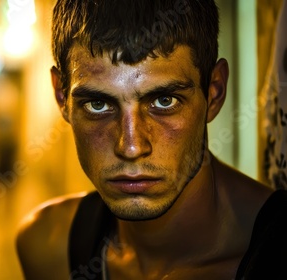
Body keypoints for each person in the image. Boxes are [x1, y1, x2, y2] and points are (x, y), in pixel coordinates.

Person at [15, 0, 287, 279]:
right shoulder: (48, 246)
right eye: (98, 104)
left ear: (214, 92)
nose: (131, 147)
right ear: (62, 98)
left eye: (164, 101)